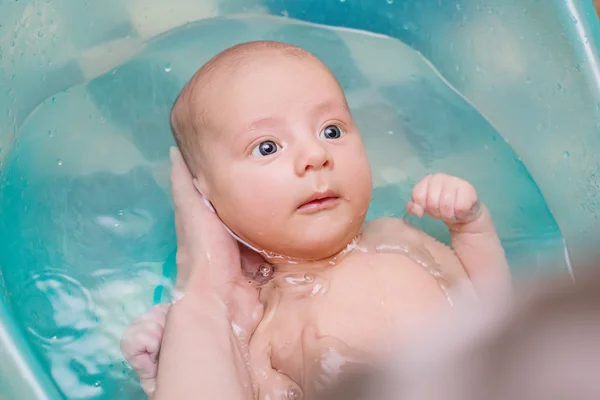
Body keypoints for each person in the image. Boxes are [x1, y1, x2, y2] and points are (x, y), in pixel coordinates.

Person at [121, 41, 511, 399]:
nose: (316, 153)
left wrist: (471, 228)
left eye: (332, 129)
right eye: (267, 147)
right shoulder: (259, 315)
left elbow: (498, 309)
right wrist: (160, 374)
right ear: (207, 197)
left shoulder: (401, 236)